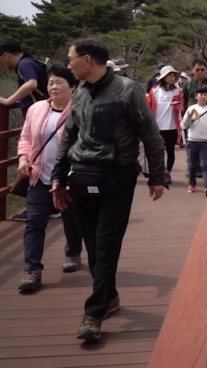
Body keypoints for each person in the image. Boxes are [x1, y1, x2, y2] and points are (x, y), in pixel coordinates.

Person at [51, 38, 167, 342]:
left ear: (87, 60)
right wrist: (58, 178)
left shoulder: (127, 91)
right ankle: (110, 296)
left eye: (71, 58)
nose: (69, 63)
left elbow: (150, 134)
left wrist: (157, 176)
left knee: (105, 244)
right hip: (81, 177)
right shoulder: (80, 94)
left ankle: (95, 311)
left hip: (117, 179)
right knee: (92, 245)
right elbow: (68, 138)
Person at [15, 65, 85, 292]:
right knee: (34, 223)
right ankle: (32, 269)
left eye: (59, 83)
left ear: (73, 87)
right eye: (51, 83)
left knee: (71, 219)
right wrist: (23, 159)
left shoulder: (81, 111)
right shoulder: (36, 109)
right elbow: (25, 137)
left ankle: (73, 252)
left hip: (70, 178)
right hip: (39, 176)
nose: (53, 87)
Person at [0, 38, 49, 116]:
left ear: (6, 55)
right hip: (44, 112)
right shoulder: (31, 62)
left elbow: (31, 84)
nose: (0, 61)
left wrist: (8, 101)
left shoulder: (24, 64)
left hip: (38, 116)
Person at [147, 66, 182, 185]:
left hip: (172, 126)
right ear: (163, 77)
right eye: (169, 75)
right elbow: (148, 107)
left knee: (171, 151)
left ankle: (168, 173)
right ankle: (158, 173)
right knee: (158, 152)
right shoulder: (154, 91)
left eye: (173, 76)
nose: (172, 78)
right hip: (157, 127)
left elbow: (182, 108)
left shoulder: (177, 91)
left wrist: (179, 107)